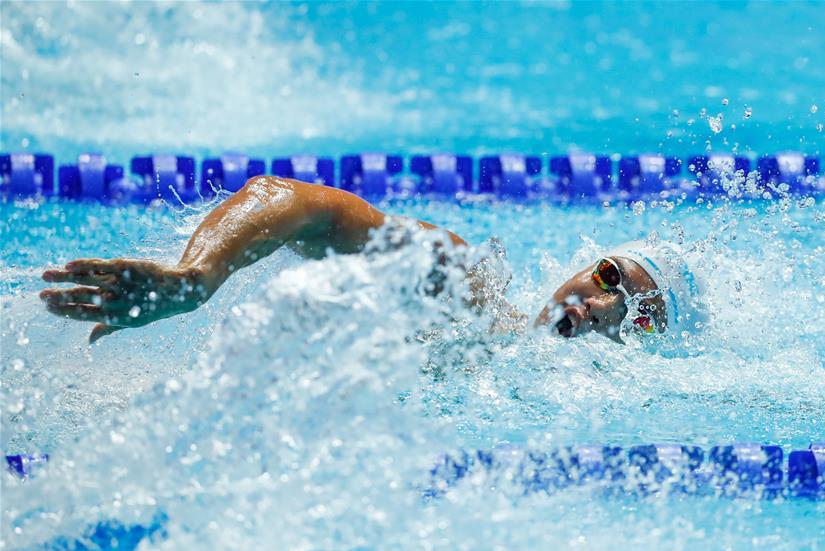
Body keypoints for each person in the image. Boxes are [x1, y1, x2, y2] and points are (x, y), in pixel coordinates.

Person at [40, 176, 705, 343]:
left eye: (641, 318)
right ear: (586, 267)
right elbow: (292, 200)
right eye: (611, 278)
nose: (601, 307)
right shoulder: (465, 287)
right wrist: (197, 278)